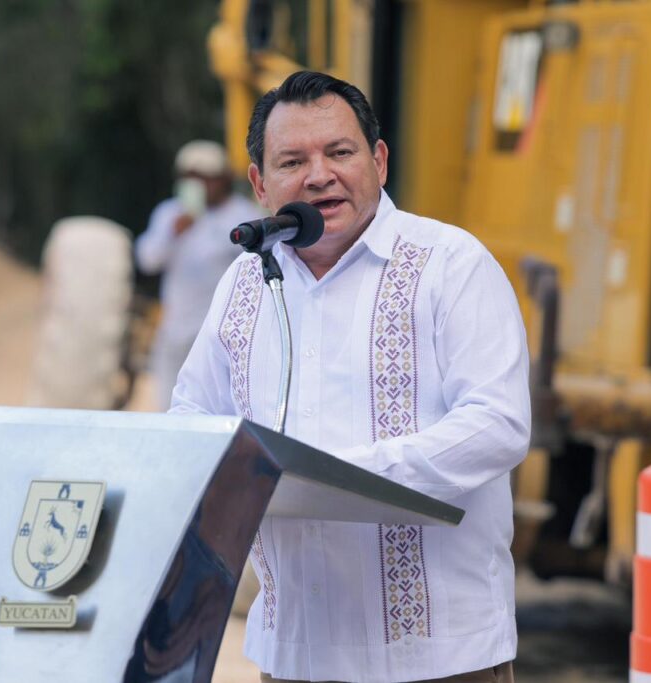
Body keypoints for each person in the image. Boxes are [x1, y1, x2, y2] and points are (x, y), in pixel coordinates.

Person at [170, 71, 530, 682]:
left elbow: (498, 424)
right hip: (293, 657)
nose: (318, 175)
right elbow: (190, 421)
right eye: (292, 161)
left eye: (340, 152)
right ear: (260, 183)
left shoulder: (450, 264)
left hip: (437, 661)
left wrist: (346, 478)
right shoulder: (244, 282)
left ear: (379, 161)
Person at [136, 140, 262, 410]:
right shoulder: (169, 213)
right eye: (189, 180)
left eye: (204, 179)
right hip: (174, 332)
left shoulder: (244, 216)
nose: (197, 187)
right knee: (170, 407)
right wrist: (173, 232)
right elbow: (147, 260)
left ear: (222, 180)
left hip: (223, 335)